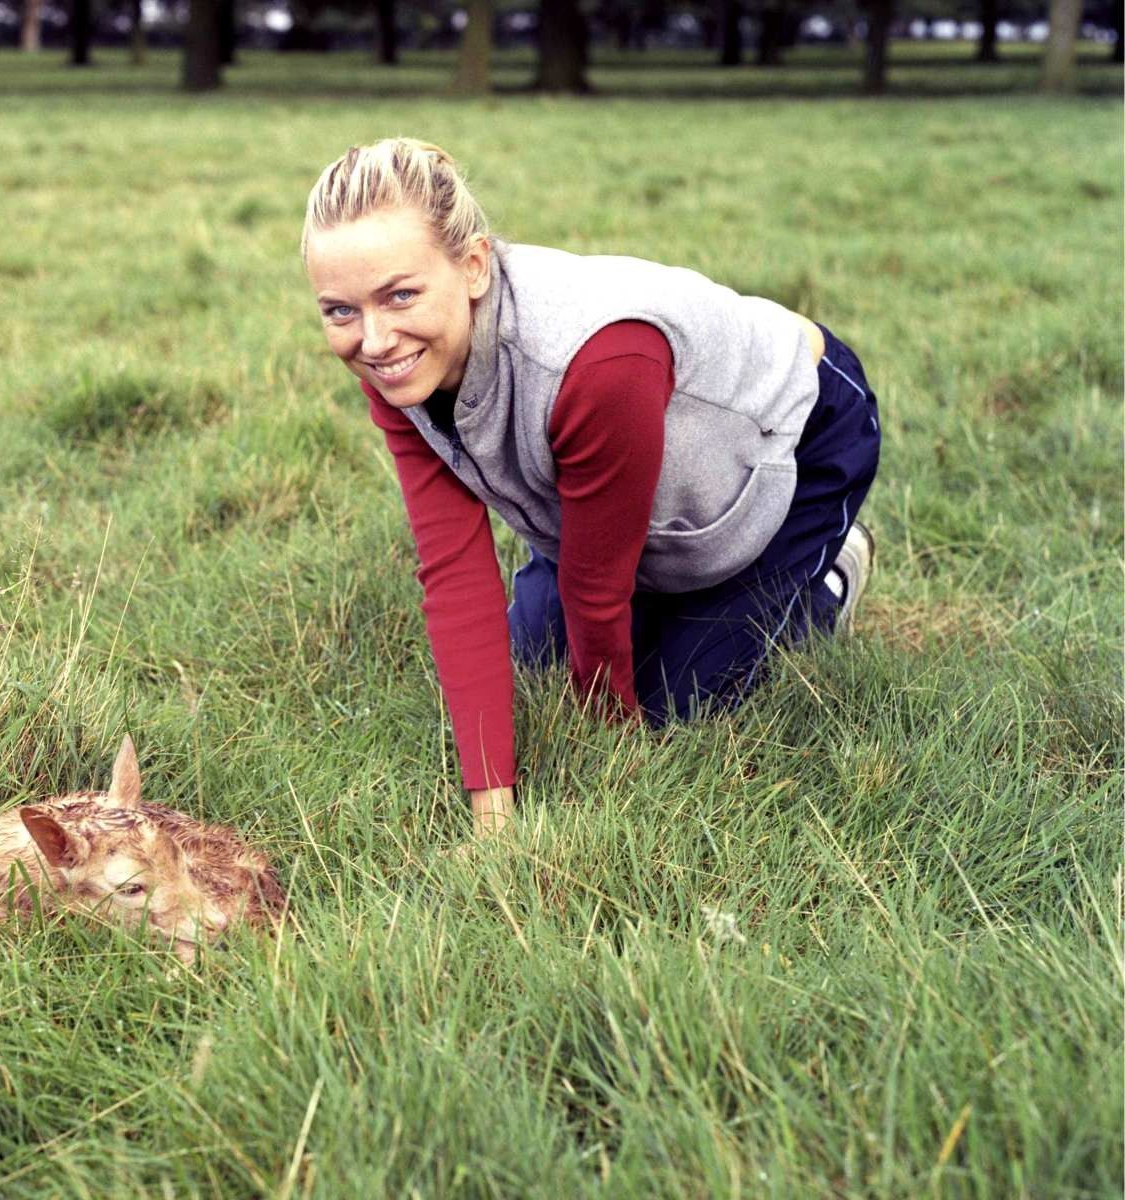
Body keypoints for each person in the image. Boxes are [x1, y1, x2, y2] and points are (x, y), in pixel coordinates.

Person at [300, 138, 882, 841]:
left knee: (675, 708)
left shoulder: (596, 360)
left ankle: (828, 577)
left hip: (794, 432)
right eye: (340, 311)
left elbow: (598, 590)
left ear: (475, 265)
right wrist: (493, 812)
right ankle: (672, 594)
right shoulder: (398, 367)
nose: (375, 338)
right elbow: (454, 571)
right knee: (531, 667)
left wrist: (610, 746)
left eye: (401, 294)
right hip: (626, 491)